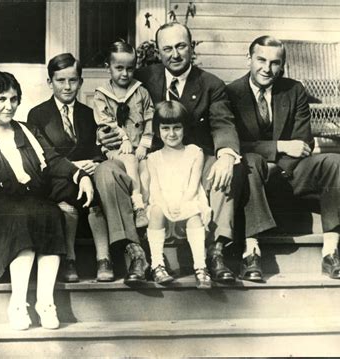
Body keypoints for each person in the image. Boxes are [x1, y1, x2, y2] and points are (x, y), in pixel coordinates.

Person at [0, 71, 94, 330]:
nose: (9, 106)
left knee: (50, 214)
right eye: (1, 99)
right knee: (21, 219)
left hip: (29, 202)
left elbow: (54, 159)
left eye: (13, 99)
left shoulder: (27, 130)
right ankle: (18, 303)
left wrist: (80, 175)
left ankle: (45, 302)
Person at [226, 35, 340, 281]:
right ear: (248, 59)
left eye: (275, 62)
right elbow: (236, 144)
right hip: (253, 177)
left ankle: (331, 252)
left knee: (336, 162)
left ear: (282, 64)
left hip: (292, 173)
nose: (267, 68)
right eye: (261, 60)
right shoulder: (231, 93)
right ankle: (251, 251)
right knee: (250, 160)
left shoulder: (294, 90)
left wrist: (280, 166)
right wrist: (280, 146)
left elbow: (303, 143)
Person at [130, 22, 244, 283]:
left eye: (181, 46)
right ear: (158, 52)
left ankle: (215, 252)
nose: (175, 54)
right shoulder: (144, 79)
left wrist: (226, 154)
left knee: (225, 168)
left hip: (194, 158)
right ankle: (140, 254)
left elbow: (222, 123)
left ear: (191, 47)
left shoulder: (210, 84)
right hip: (155, 159)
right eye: (167, 48)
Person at [27, 53, 114, 283]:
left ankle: (103, 258)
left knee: (97, 193)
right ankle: (69, 259)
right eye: (60, 80)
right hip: (57, 178)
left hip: (88, 175)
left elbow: (98, 148)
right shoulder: (38, 115)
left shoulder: (89, 114)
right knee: (66, 194)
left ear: (81, 82)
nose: (67, 87)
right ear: (50, 82)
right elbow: (41, 156)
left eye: (73, 80)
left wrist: (94, 163)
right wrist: (71, 168)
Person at [147, 101, 212, 288]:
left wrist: (183, 202)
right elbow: (156, 189)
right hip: (164, 201)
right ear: (158, 131)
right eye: (165, 128)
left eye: (177, 127)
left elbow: (194, 184)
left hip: (188, 199)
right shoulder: (154, 158)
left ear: (185, 128)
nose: (172, 133)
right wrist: (167, 205)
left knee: (193, 215)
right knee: (156, 211)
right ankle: (157, 264)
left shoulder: (194, 152)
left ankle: (201, 266)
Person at [93, 41, 154, 227]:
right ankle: (137, 206)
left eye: (130, 68)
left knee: (146, 174)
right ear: (108, 68)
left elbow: (149, 117)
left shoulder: (141, 92)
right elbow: (105, 122)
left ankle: (145, 213)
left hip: (138, 147)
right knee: (129, 161)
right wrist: (124, 138)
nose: (125, 74)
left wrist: (144, 143)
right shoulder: (101, 95)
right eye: (119, 68)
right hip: (116, 149)